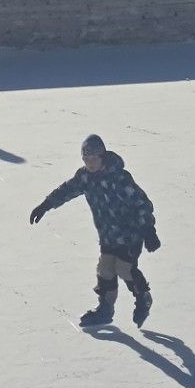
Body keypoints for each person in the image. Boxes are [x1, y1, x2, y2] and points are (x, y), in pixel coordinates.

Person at [29, 134, 160, 329]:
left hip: (130, 234)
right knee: (105, 269)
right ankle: (105, 310)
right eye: (85, 159)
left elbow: (142, 203)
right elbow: (67, 190)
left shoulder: (119, 178)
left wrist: (149, 229)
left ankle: (143, 297)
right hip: (108, 235)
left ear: (103, 156)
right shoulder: (85, 177)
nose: (89, 163)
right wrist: (46, 205)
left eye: (93, 159)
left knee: (124, 268)